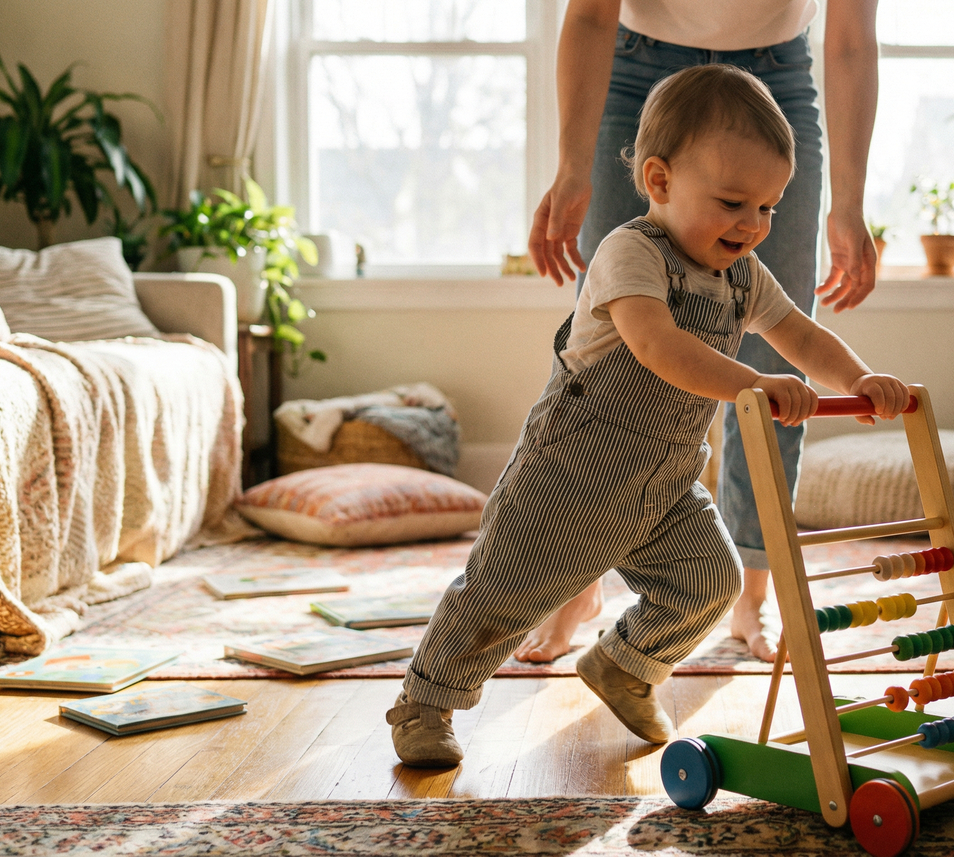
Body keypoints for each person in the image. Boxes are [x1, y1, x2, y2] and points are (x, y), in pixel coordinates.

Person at [387, 65, 907, 767]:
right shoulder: (630, 253)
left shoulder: (741, 275)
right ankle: (428, 699)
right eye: (732, 202)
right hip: (569, 473)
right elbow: (660, 347)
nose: (752, 225)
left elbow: (801, 332)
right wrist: (756, 383)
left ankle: (627, 664)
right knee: (500, 593)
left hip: (661, 482)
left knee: (710, 581)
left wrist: (858, 376)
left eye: (768, 208)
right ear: (660, 181)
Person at [516, 0, 880, 666]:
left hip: (779, 81)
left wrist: (849, 203)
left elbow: (852, 40)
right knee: (611, 342)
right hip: (636, 74)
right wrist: (572, 167)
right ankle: (579, 575)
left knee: (776, 349)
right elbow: (592, 16)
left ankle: (752, 587)